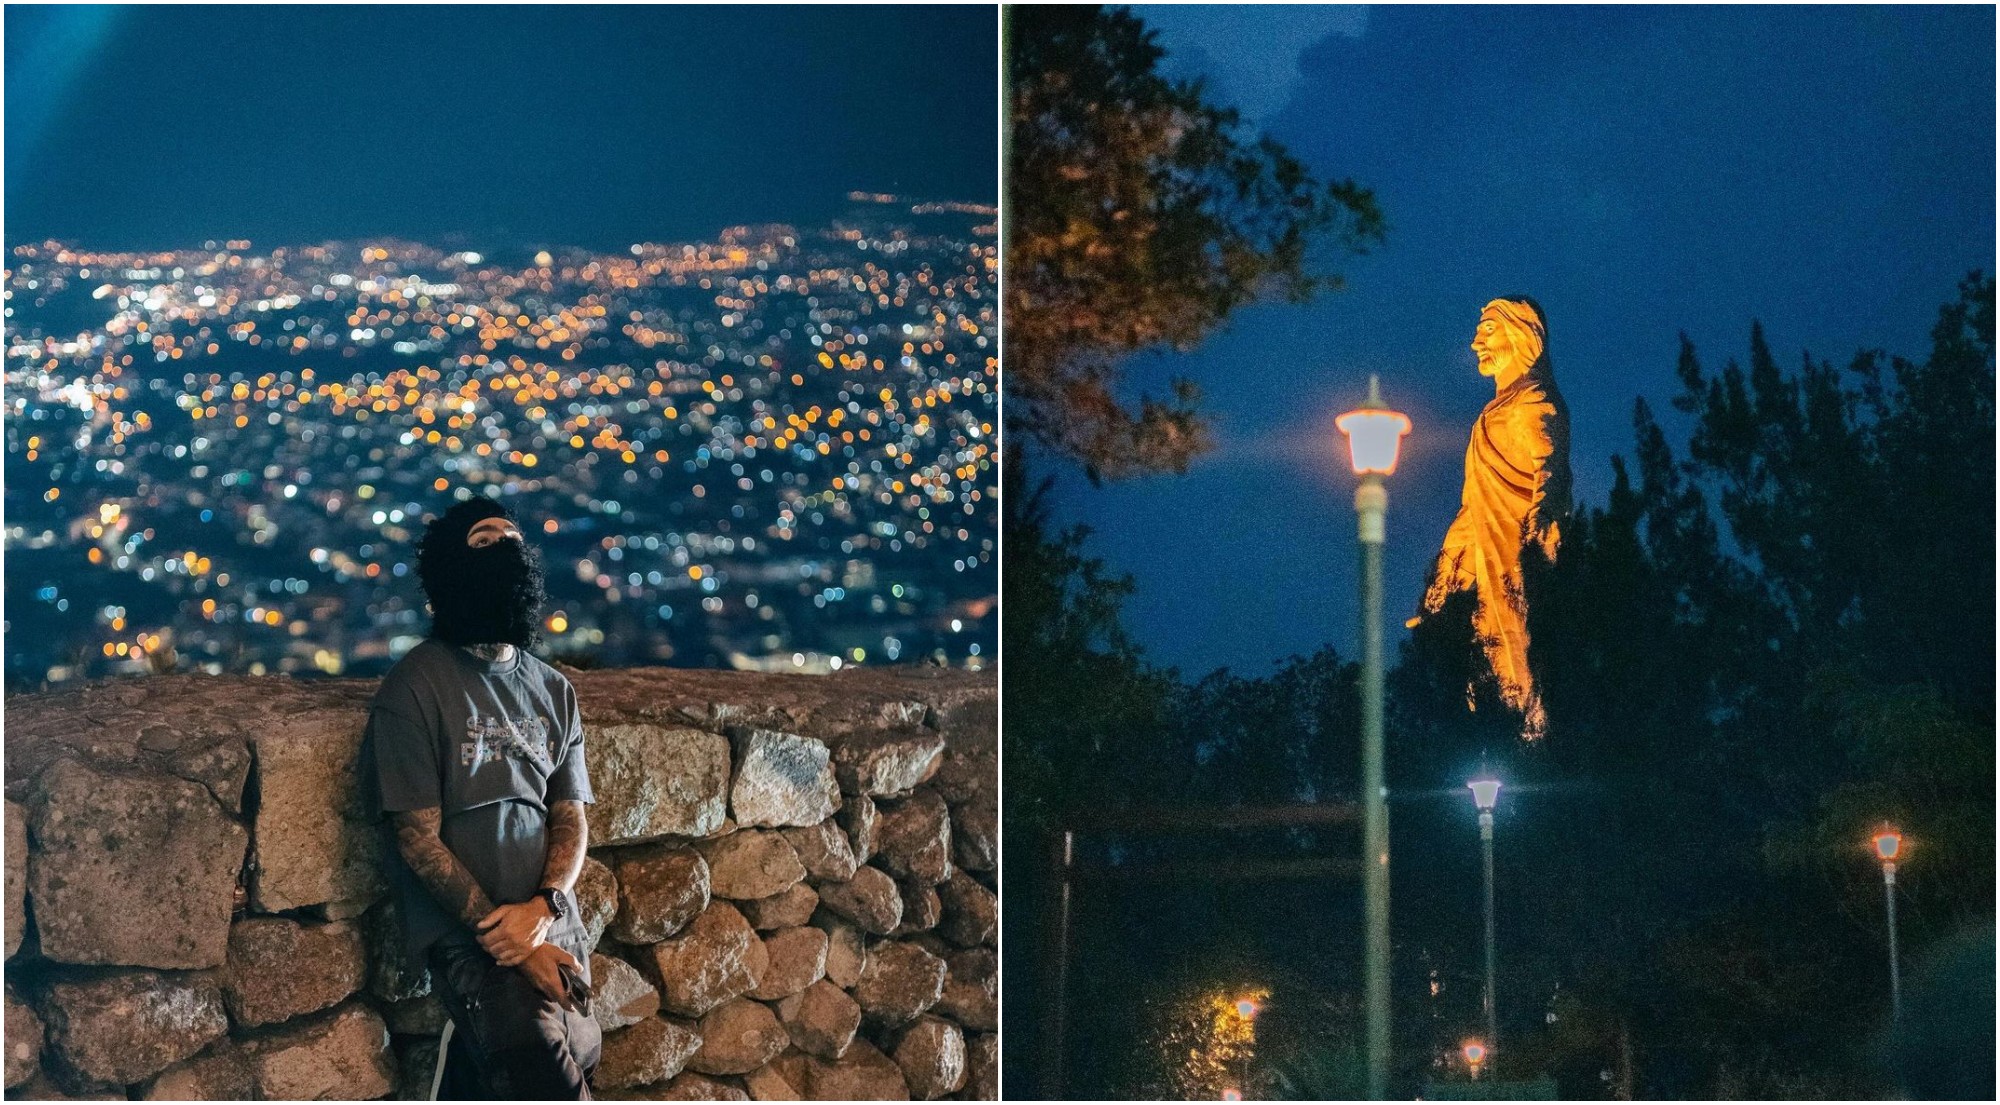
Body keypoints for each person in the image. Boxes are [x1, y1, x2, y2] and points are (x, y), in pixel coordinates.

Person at [362, 497, 601, 1098]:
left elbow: (569, 815)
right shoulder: (415, 687)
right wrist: (513, 943)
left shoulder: (554, 690)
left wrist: (545, 910)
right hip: (473, 942)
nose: (504, 549)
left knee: (578, 1060)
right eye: (484, 540)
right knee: (555, 1085)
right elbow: (417, 837)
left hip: (553, 928)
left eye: (513, 539)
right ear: (448, 569)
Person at [1417, 296, 1571, 740]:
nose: (1475, 343)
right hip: (1485, 558)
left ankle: (1533, 737)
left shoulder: (1534, 402)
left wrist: (1543, 517)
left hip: (1518, 558)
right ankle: (1498, 737)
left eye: (1488, 332)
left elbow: (1551, 467)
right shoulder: (1489, 417)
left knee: (1521, 645)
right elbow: (1471, 510)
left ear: (1521, 336)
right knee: (1484, 650)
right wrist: (1445, 577)